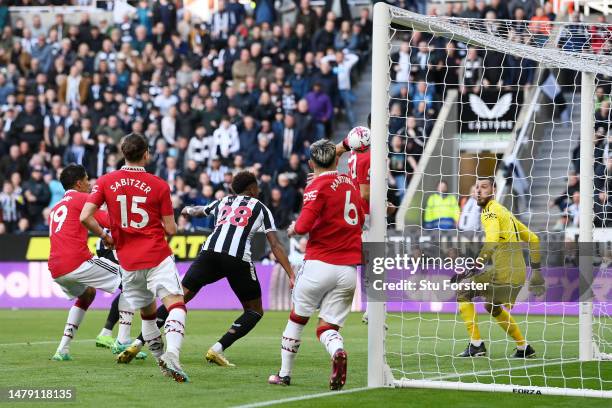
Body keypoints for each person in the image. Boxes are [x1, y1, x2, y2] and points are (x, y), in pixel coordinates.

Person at [118, 171, 294, 367]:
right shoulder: (261, 208)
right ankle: (217, 349)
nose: (259, 191)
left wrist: (187, 209)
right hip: (237, 258)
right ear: (252, 189)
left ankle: (137, 342)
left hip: (209, 253)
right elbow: (276, 245)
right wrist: (291, 274)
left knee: (177, 299)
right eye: (257, 188)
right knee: (254, 311)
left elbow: (200, 210)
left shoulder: (223, 201)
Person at [80, 133, 188, 382]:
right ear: (146, 154)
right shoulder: (159, 184)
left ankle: (162, 361)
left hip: (127, 261)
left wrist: (105, 237)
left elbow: (86, 216)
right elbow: (171, 230)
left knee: (148, 315)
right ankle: (172, 353)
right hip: (156, 255)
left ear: (123, 153)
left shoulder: (106, 181)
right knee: (176, 304)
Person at [269, 139, 365, 390]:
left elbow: (303, 226)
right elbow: (362, 217)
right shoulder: (351, 185)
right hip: (348, 271)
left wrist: (292, 229)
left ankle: (284, 374)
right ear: (337, 160)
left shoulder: (316, 186)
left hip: (319, 264)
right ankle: (338, 351)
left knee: (297, 319)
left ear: (311, 163)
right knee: (326, 327)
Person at [455, 177, 544, 358]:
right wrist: (536, 272)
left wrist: (478, 262)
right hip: (518, 274)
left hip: (504, 273)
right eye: (477, 187)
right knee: (492, 307)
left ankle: (476, 345)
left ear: (493, 191)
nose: (479, 191)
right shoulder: (505, 212)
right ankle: (523, 348)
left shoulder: (489, 212)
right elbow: (534, 239)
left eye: (484, 187)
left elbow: (493, 238)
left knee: (463, 290)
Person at [48, 164, 122, 361]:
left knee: (88, 293)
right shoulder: (82, 198)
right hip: (76, 261)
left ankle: (62, 349)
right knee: (130, 278)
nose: (90, 184)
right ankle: (122, 341)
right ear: (79, 183)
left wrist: (102, 235)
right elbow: (106, 219)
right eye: (87, 179)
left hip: (55, 268)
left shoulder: (56, 207)